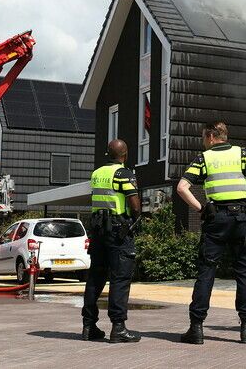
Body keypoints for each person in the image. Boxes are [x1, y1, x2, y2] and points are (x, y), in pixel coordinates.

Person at [177, 121, 246, 344]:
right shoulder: (241, 153)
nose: (202, 141)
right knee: (244, 273)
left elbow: (181, 187)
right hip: (241, 218)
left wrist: (201, 208)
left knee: (207, 271)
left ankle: (196, 328)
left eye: (202, 137)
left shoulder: (204, 158)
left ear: (210, 136)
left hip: (216, 219)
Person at [81, 139, 142, 343]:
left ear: (108, 153)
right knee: (120, 278)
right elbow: (135, 206)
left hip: (98, 229)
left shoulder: (97, 173)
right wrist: (135, 220)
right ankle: (118, 327)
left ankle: (89, 326)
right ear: (124, 154)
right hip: (118, 230)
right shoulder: (124, 174)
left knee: (95, 277)